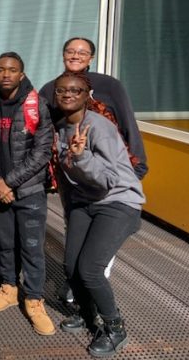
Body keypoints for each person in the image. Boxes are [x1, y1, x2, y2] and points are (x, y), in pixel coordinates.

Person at [52, 71, 145, 357]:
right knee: (71, 266)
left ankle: (115, 327)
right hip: (86, 201)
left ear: (86, 96)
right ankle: (87, 313)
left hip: (118, 202)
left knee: (90, 269)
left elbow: (106, 179)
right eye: (62, 91)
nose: (68, 95)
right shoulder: (61, 128)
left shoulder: (98, 127)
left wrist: (81, 157)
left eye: (75, 91)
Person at [0, 52, 55, 336]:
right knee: (4, 244)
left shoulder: (37, 105)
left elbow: (42, 152)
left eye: (12, 70)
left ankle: (33, 300)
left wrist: (8, 183)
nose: (6, 74)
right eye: (1, 70)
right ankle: (9, 289)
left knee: (32, 248)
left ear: (21, 73)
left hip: (29, 191)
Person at [39, 37, 147, 180]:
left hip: (110, 166)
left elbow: (127, 124)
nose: (75, 56)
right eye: (70, 52)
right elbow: (43, 132)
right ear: (63, 55)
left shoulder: (109, 85)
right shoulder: (50, 89)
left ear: (91, 58)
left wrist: (138, 165)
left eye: (82, 53)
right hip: (69, 167)